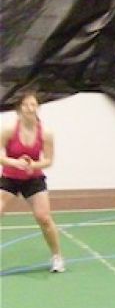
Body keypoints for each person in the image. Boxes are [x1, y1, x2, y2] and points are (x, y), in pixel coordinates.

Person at [0, 91, 65, 272]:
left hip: (33, 179)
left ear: (38, 108)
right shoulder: (9, 130)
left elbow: (49, 160)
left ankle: (57, 256)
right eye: (26, 105)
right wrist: (14, 162)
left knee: (43, 218)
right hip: (10, 179)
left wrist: (34, 165)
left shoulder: (46, 133)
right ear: (19, 109)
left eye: (33, 105)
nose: (30, 108)